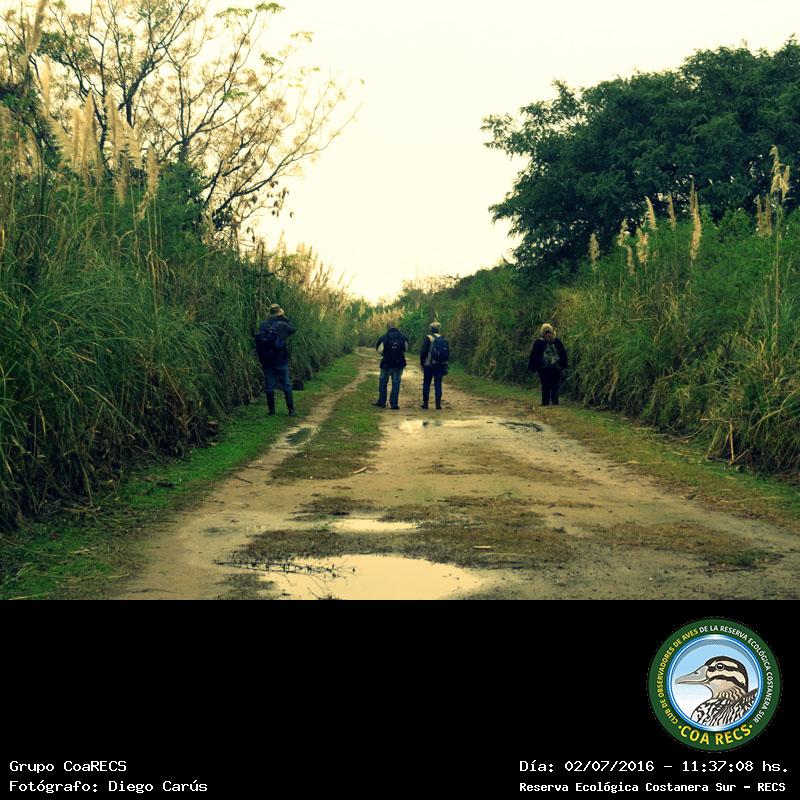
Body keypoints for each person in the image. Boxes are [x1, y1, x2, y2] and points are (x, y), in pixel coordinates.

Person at [256, 303, 297, 416]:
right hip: (280, 359)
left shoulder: (263, 324)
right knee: (286, 384)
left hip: (267, 359)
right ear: (280, 314)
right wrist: (285, 319)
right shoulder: (283, 324)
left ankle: (271, 411)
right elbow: (293, 329)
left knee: (269, 385)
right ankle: (291, 410)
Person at [528, 323, 567, 406]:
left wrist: (533, 367)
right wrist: (563, 365)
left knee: (545, 384)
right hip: (556, 367)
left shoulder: (539, 342)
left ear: (542, 332)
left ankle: (545, 402)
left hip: (543, 367)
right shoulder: (557, 341)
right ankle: (555, 401)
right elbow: (563, 353)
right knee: (555, 384)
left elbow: (534, 355)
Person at [374, 323, 409, 410]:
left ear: (388, 329)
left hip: (386, 364)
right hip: (398, 364)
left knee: (383, 383)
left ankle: (382, 402)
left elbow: (379, 349)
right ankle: (394, 404)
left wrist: (384, 354)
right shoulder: (403, 338)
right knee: (396, 384)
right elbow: (406, 349)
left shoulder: (384, 337)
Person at [419, 321, 449, 410]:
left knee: (427, 383)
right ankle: (438, 404)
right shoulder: (443, 338)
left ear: (431, 329)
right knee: (438, 383)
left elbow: (423, 352)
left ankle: (425, 404)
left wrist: (422, 363)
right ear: (439, 329)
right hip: (440, 364)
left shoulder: (428, 338)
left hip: (428, 364)